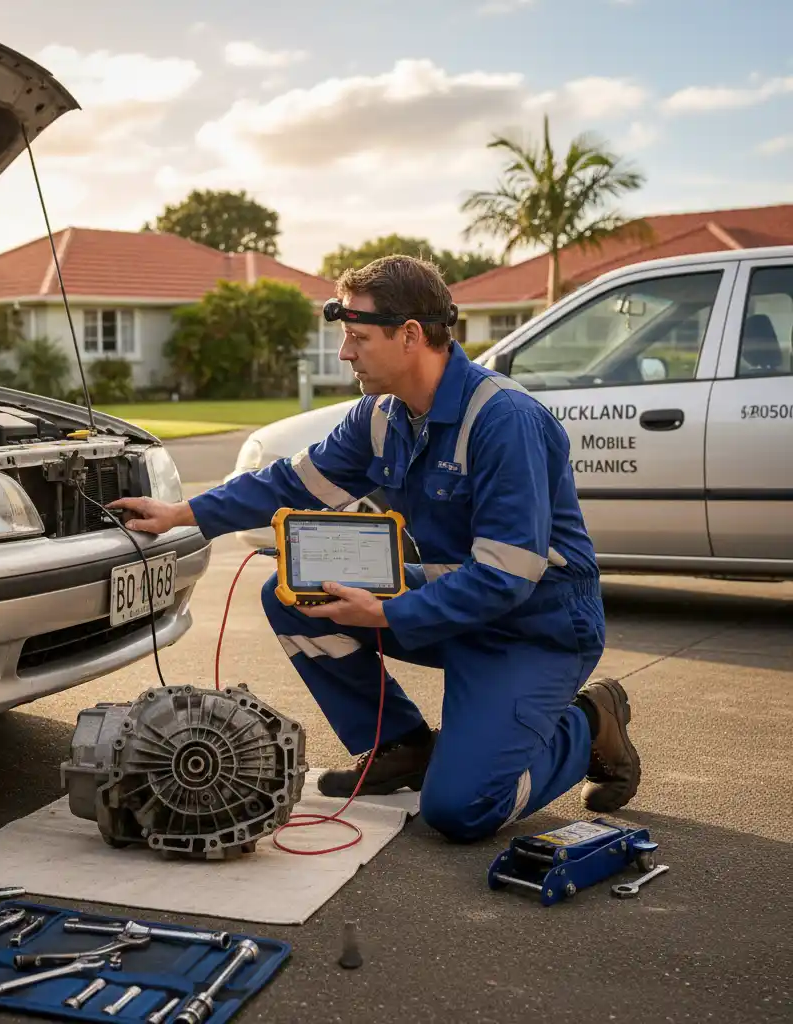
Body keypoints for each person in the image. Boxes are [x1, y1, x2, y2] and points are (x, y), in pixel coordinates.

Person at [108, 255, 641, 843]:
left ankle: (590, 724)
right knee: (294, 594)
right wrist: (184, 514)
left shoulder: (504, 421)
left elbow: (506, 578)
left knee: (463, 810)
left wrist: (386, 612)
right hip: (452, 602)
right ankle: (401, 744)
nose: (345, 353)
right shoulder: (383, 416)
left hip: (533, 627)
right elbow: (293, 482)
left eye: (357, 337)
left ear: (410, 335)